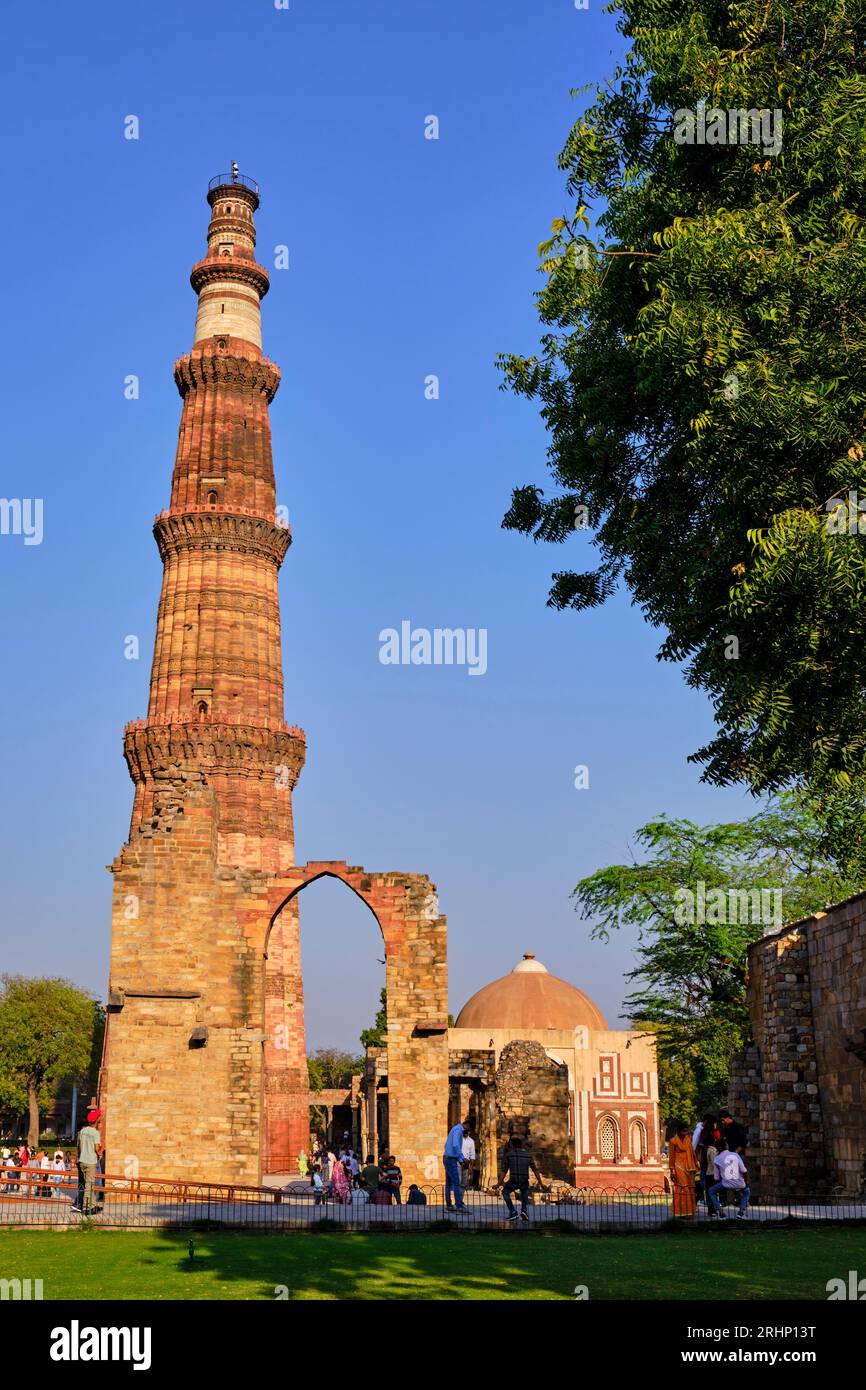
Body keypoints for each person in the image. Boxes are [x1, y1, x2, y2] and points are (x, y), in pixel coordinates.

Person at [501, 1136, 547, 1222]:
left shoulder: (509, 1155)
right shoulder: (528, 1155)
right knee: (524, 1194)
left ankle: (513, 1212)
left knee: (505, 1192)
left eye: (510, 1144)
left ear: (512, 1145)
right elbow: (535, 1170)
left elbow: (504, 1171)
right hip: (524, 1180)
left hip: (513, 1180)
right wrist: (541, 1183)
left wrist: (498, 1183)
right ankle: (524, 1211)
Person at [72, 1109, 103, 1216]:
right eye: (99, 1117)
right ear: (97, 1120)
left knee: (88, 1184)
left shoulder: (83, 1131)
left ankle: (93, 1206)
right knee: (89, 1186)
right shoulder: (95, 1133)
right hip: (90, 1162)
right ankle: (86, 1208)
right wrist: (100, 1152)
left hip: (82, 1161)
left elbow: (79, 1146)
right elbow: (96, 1148)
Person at [708, 1142, 751, 1219]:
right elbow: (744, 1170)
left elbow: (716, 1178)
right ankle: (741, 1213)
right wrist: (746, 1181)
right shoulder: (735, 1155)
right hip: (740, 1183)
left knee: (711, 1191)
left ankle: (721, 1213)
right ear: (726, 1146)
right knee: (746, 1192)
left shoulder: (717, 1159)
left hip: (726, 1184)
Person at [668, 1122, 698, 1218]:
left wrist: (695, 1165)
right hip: (678, 1166)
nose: (685, 1133)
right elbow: (672, 1157)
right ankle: (681, 1211)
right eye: (683, 1131)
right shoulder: (673, 1141)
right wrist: (672, 1170)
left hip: (690, 1167)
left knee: (690, 1188)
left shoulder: (688, 1139)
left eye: (686, 1131)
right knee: (682, 1187)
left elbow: (692, 1153)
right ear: (679, 1131)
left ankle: (690, 1212)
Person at [443, 1117, 470, 1212]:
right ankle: (459, 1205)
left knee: (449, 1183)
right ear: (467, 1125)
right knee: (456, 1183)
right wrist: (462, 1158)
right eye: (468, 1129)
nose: (467, 1131)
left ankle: (449, 1205)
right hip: (450, 1159)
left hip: (448, 1157)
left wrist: (460, 1159)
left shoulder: (455, 1129)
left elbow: (446, 1145)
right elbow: (455, 1146)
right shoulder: (458, 1130)